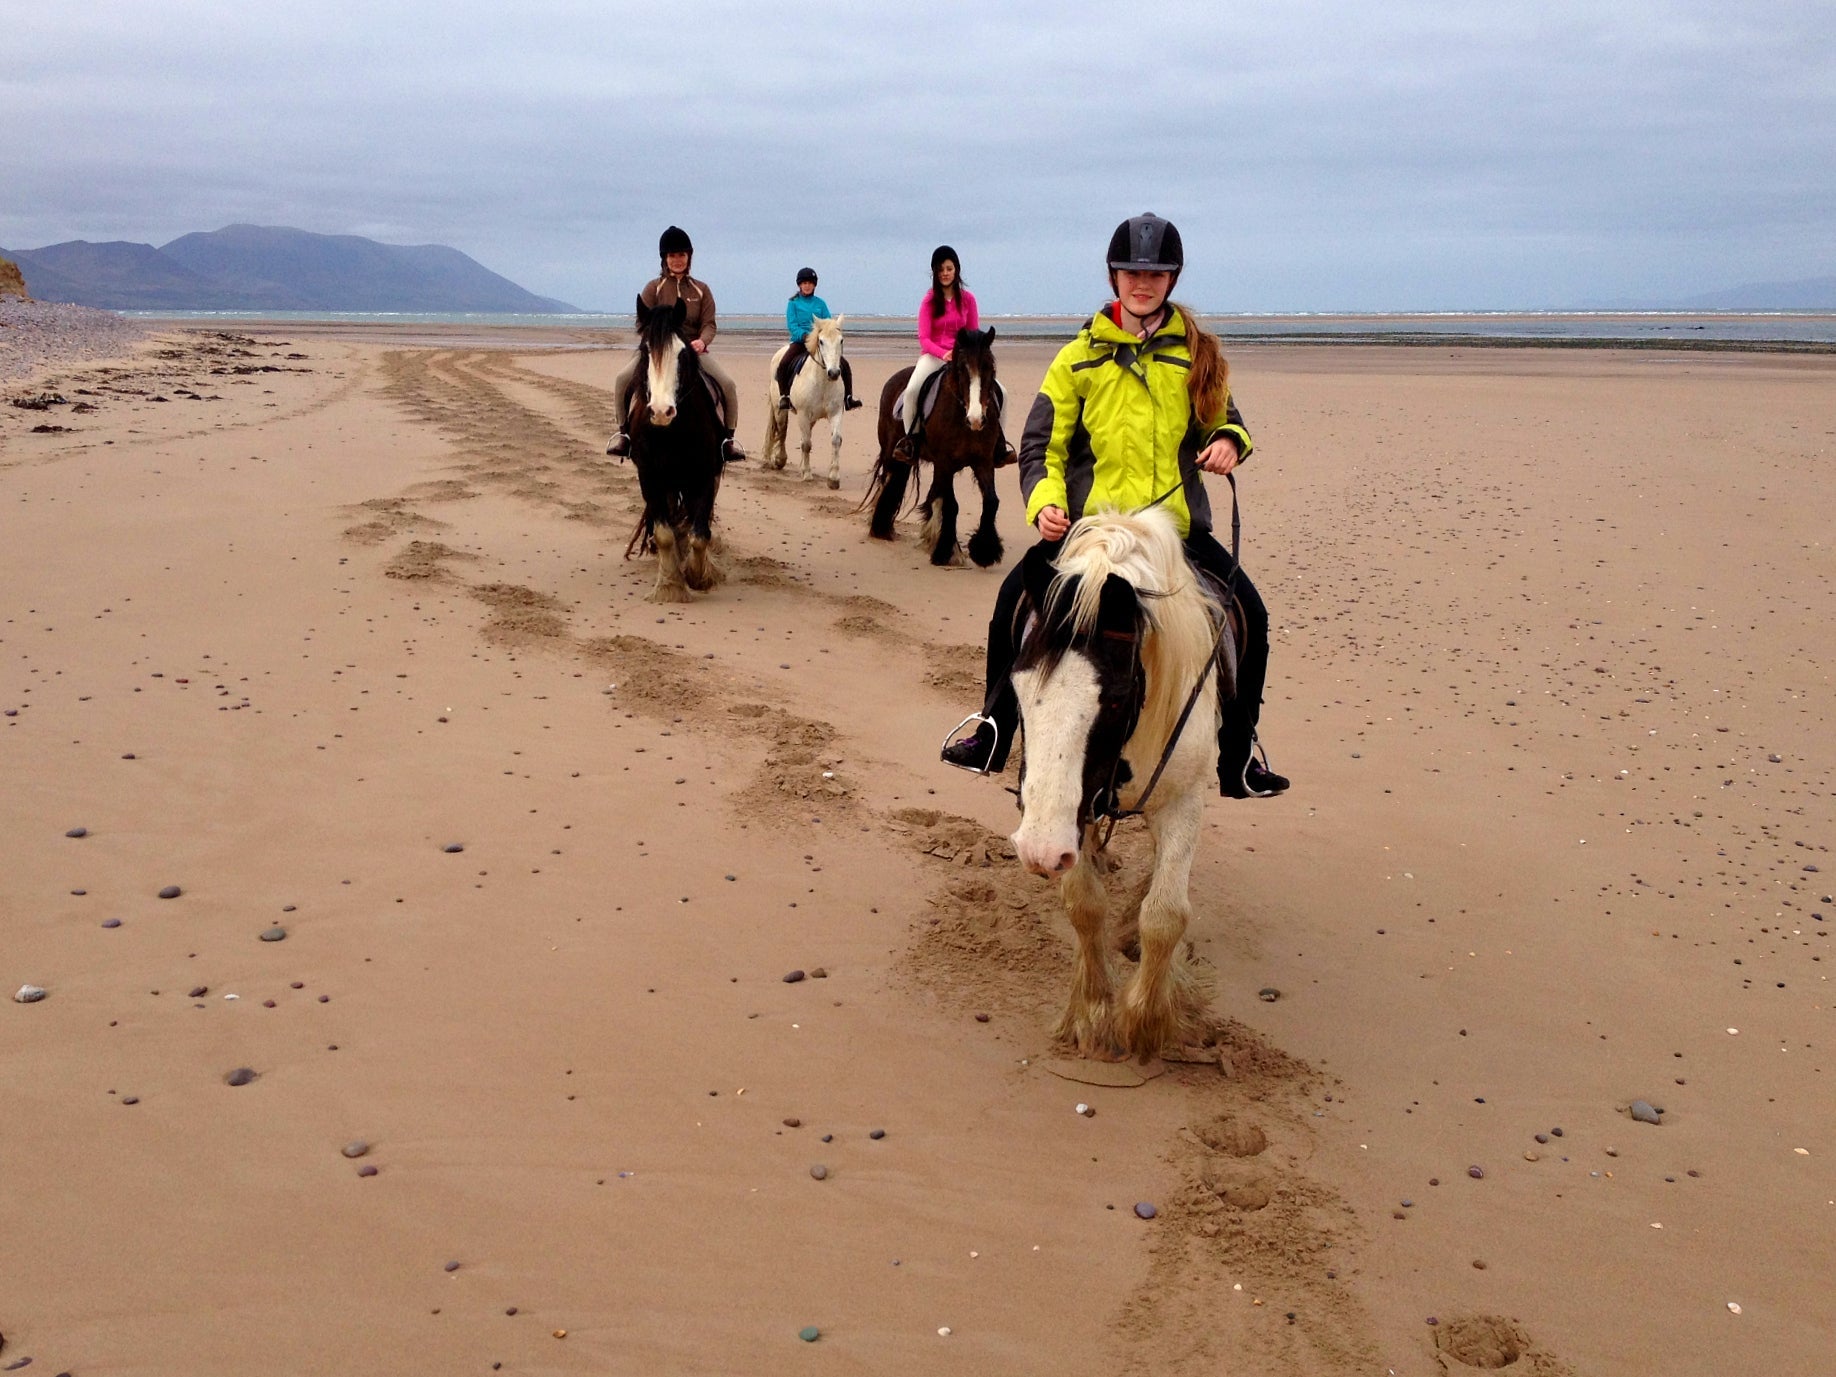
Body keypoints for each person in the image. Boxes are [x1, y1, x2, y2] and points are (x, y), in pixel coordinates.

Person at [940, 213, 1290, 799]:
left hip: (1174, 531)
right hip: (1091, 533)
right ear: (1114, 276)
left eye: (1155, 273)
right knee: (1010, 604)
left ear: (1172, 280)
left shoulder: (1197, 356)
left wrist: (1228, 442)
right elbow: (1038, 446)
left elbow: (1228, 422)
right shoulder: (1077, 358)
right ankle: (994, 730)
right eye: (1131, 271)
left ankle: (1238, 755)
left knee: (1249, 613)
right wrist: (1046, 505)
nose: (1142, 282)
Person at [606, 225, 744, 462]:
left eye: (681, 254)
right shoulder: (653, 288)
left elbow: (709, 323)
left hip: (691, 350)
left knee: (728, 385)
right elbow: (644, 321)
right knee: (622, 380)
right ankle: (624, 435)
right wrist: (656, 345)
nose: (677, 260)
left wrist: (702, 341)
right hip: (658, 351)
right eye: (672, 255)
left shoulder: (701, 290)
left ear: (689, 256)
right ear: (664, 259)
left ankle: (727, 440)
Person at [890, 245, 979, 463]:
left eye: (949, 268)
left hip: (962, 358)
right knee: (911, 391)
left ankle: (998, 444)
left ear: (956, 269)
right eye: (940, 270)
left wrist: (966, 355)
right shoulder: (929, 301)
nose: (945, 273)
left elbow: (974, 334)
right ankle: (910, 440)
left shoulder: (968, 299)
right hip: (933, 356)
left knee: (999, 392)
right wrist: (943, 354)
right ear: (935, 273)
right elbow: (924, 339)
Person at [774, 267, 861, 411]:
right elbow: (792, 325)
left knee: (844, 365)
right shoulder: (793, 303)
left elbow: (828, 324)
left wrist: (828, 334)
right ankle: (785, 396)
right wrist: (804, 336)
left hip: (821, 342)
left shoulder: (820, 304)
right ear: (799, 285)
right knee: (783, 364)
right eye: (804, 283)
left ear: (814, 285)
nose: (807, 286)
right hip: (801, 342)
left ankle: (848, 398)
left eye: (810, 283)